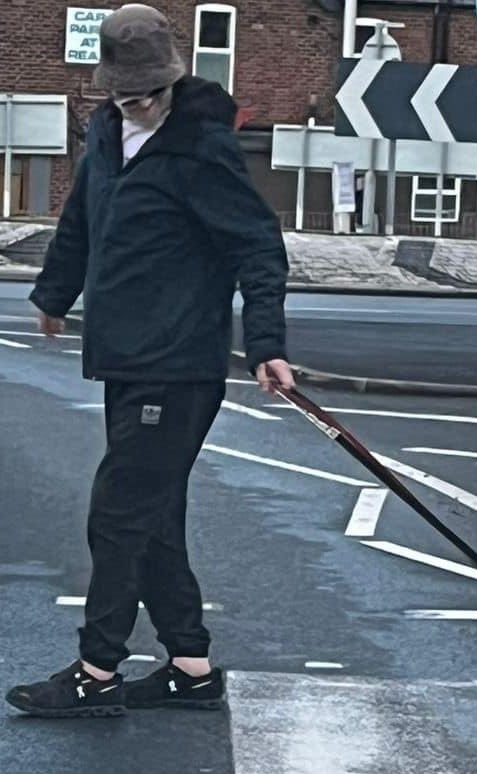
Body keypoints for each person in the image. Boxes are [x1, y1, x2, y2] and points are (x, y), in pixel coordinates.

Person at [5, 3, 294, 718]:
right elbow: (81, 216)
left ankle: (96, 672)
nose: (135, 105)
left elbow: (257, 247)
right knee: (152, 513)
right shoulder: (105, 132)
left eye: (147, 94)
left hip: (179, 360)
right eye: (124, 93)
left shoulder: (202, 148)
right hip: (125, 354)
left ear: (171, 83)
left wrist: (266, 343)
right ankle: (190, 666)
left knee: (118, 513)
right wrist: (55, 291)